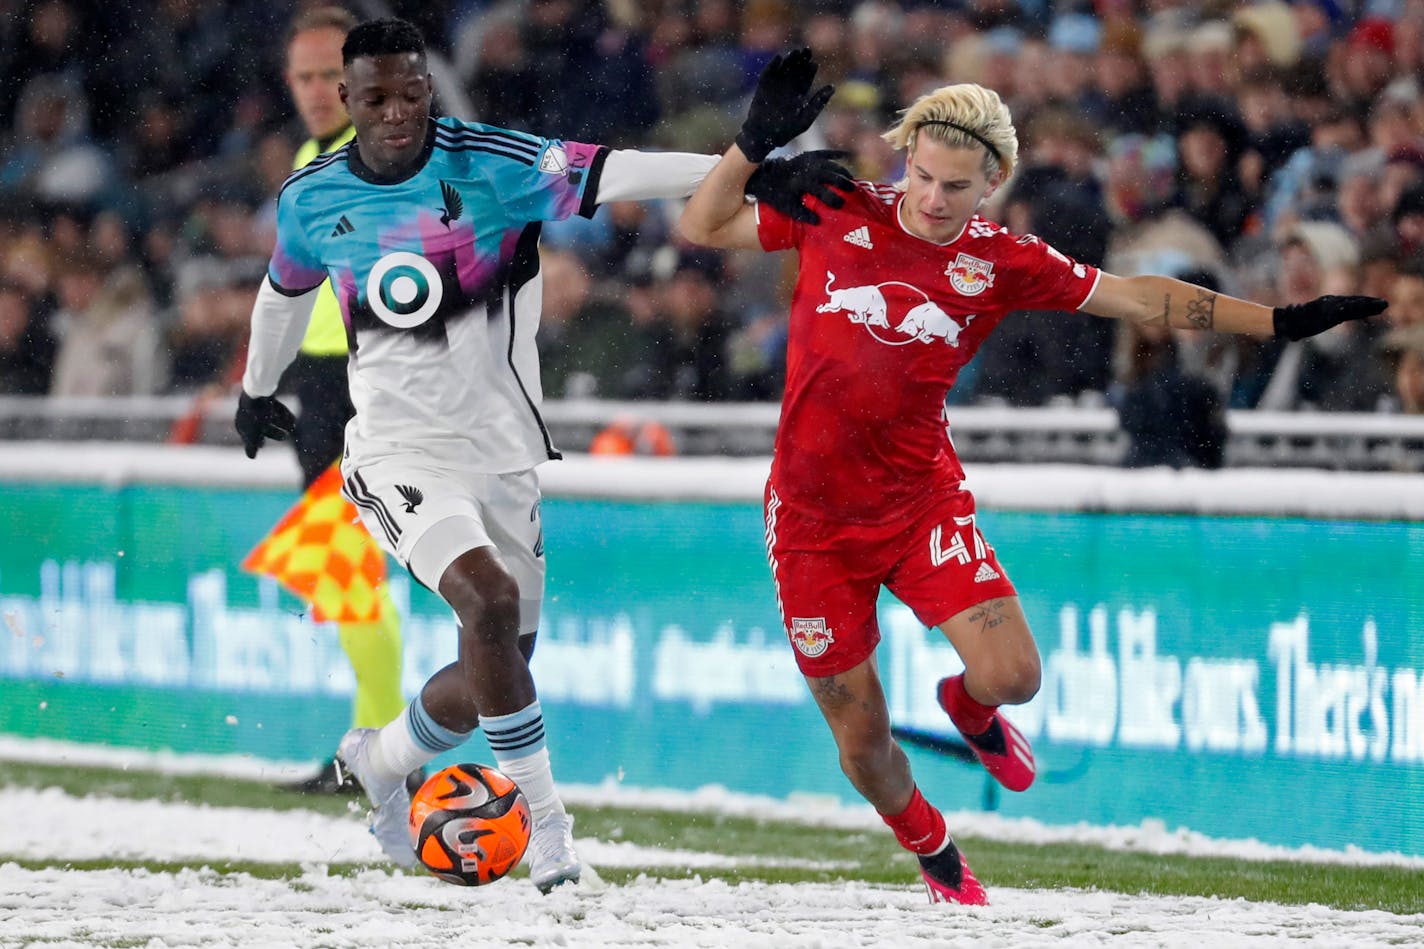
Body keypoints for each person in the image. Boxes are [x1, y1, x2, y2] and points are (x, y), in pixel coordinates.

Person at [677, 48, 1387, 905]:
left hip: (915, 502)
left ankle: (967, 709)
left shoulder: (1003, 261)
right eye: (923, 177)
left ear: (995, 182)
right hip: (811, 522)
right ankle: (935, 849)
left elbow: (1141, 297)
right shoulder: (837, 209)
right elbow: (701, 226)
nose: (933, 200)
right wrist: (752, 146)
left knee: (1015, 675)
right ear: (907, 159)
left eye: (956, 187)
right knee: (862, 742)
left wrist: (1275, 319)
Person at [234, 18, 829, 893]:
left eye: (411, 92)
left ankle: (380, 756)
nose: (396, 112)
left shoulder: (492, 165)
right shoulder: (312, 198)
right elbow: (283, 294)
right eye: (376, 97)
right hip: (395, 451)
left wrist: (748, 162)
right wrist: (257, 388)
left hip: (502, 453)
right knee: (487, 600)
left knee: (497, 666)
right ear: (348, 103)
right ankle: (549, 830)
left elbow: (617, 169)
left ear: (427, 90)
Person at [271, 4, 412, 797]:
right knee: (341, 566)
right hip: (322, 379)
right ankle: (374, 742)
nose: (319, 89)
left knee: (346, 561)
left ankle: (384, 745)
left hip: (368, 373)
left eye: (333, 74)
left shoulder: (382, 156)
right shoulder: (312, 155)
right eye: (306, 75)